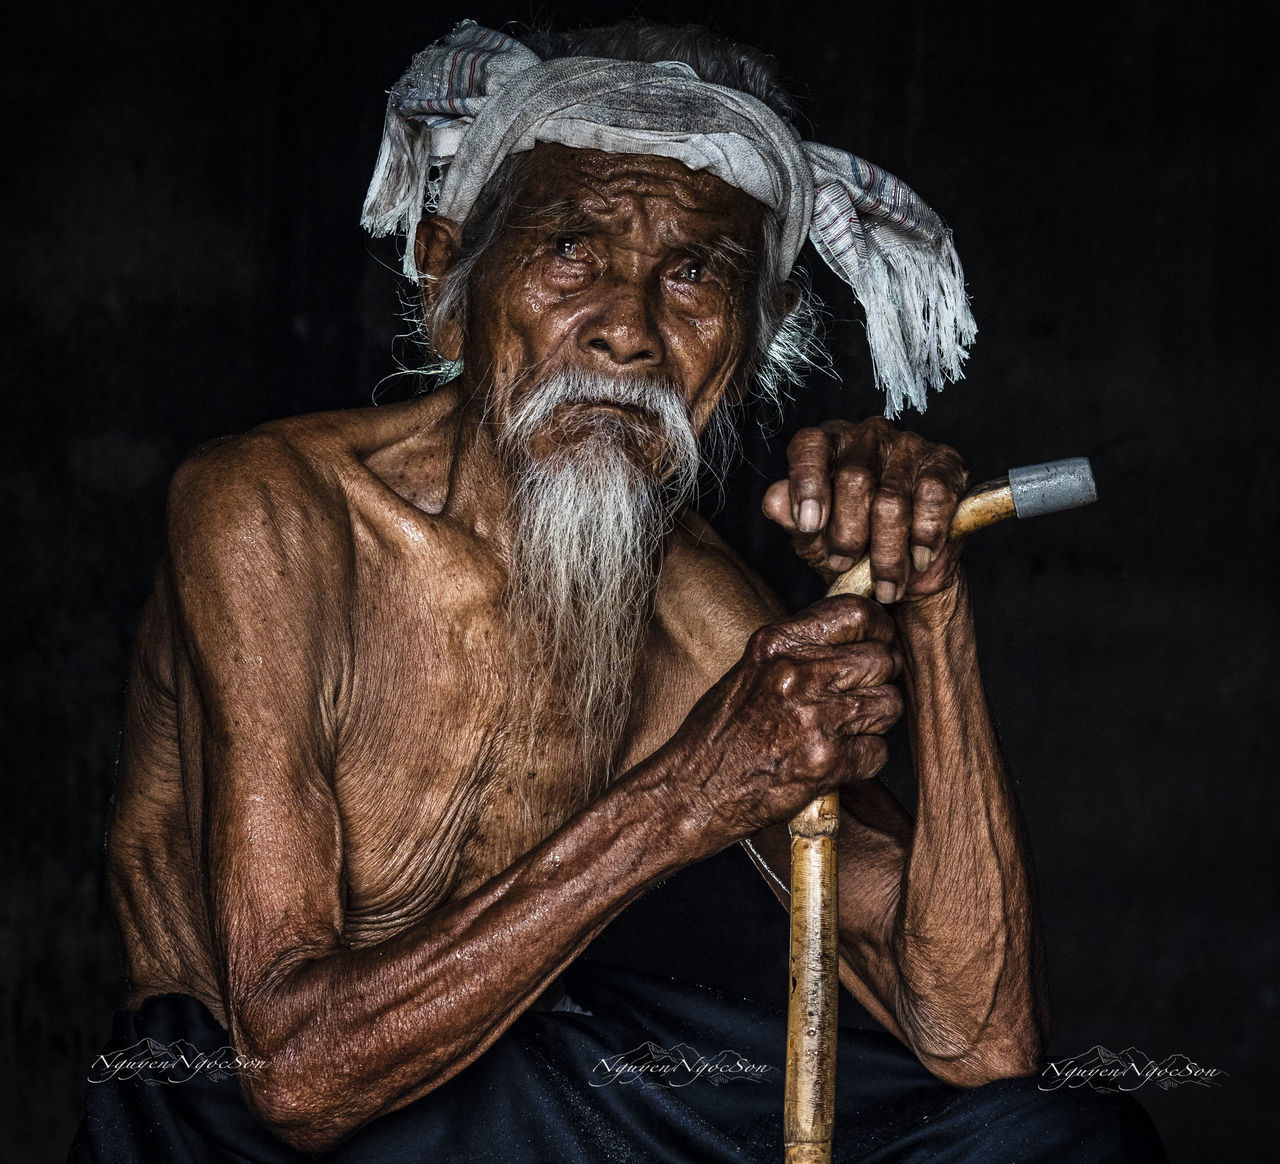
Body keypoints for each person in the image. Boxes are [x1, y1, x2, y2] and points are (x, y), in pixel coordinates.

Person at [72, 20, 1167, 1163]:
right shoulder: (269, 513)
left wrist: (928, 592)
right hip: (243, 1108)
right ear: (449, 275)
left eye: (692, 276)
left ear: (751, 345)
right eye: (568, 252)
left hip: (517, 1074)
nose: (628, 329)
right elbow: (293, 1074)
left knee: (1051, 1138)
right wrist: (685, 798)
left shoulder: (688, 606)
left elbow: (979, 1039)